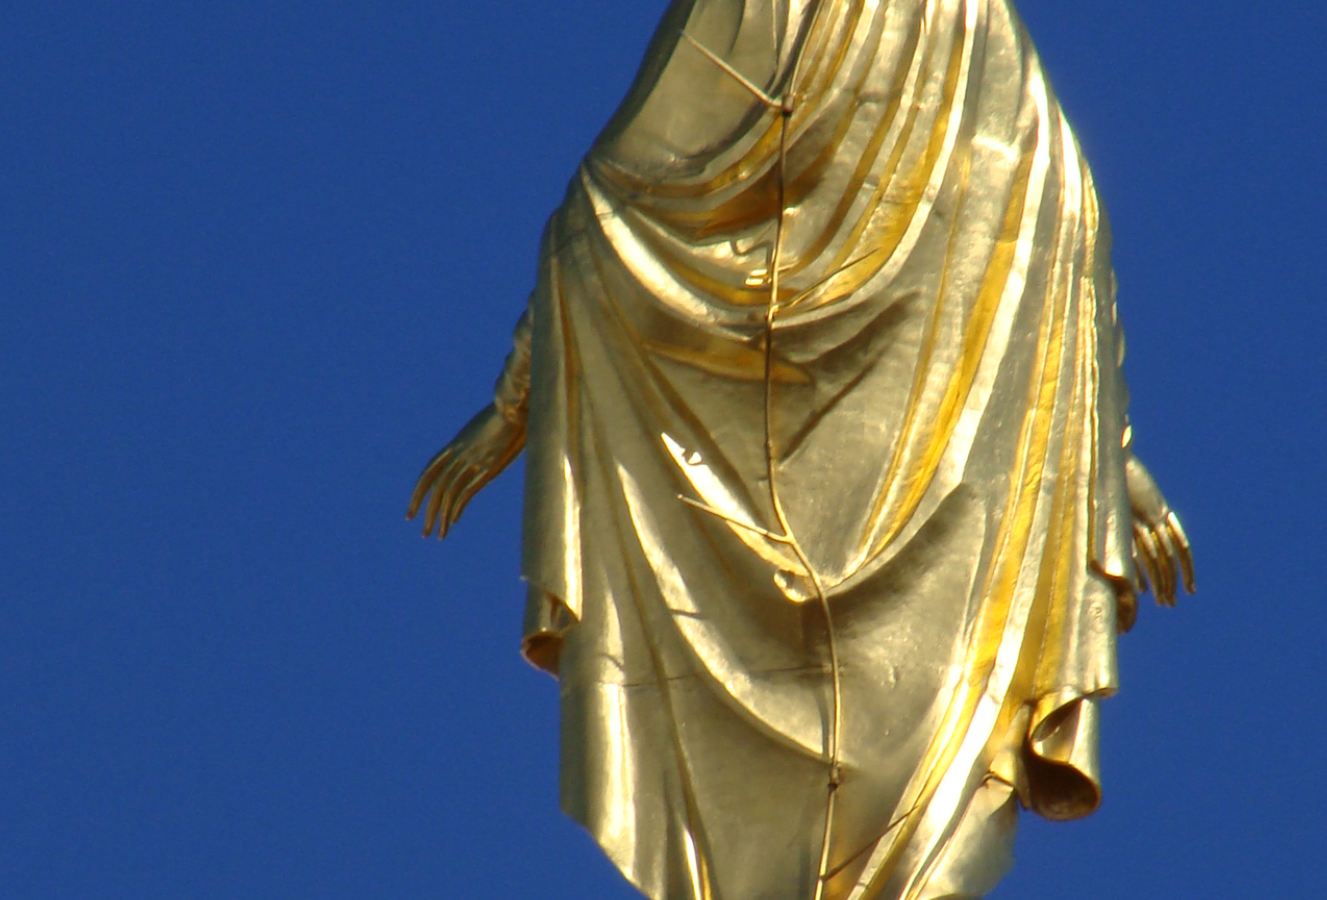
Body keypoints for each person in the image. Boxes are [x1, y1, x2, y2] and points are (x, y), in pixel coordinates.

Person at [409, 1, 1193, 898]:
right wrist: (518, 401)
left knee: (928, 825)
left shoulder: (967, 24)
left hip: (945, 464)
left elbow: (1052, 214)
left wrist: (1103, 457)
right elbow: (625, 198)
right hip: (788, 461)